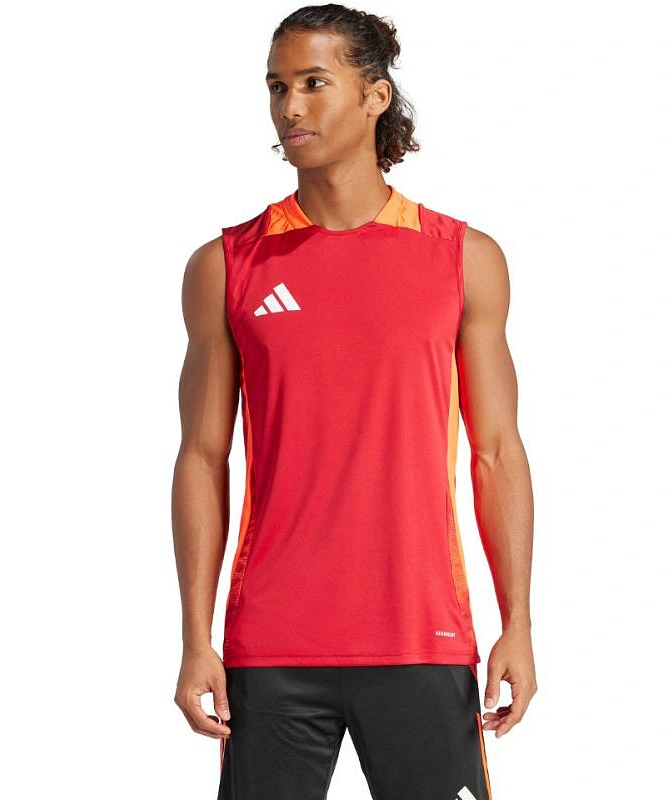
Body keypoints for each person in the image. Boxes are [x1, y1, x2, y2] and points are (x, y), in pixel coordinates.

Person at [171, 4, 537, 798]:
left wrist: (518, 622)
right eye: (277, 86)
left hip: (422, 636)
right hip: (271, 647)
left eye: (313, 83)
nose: (289, 107)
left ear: (375, 96)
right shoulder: (227, 265)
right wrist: (197, 638)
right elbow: (201, 458)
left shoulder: (462, 258)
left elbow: (496, 452)